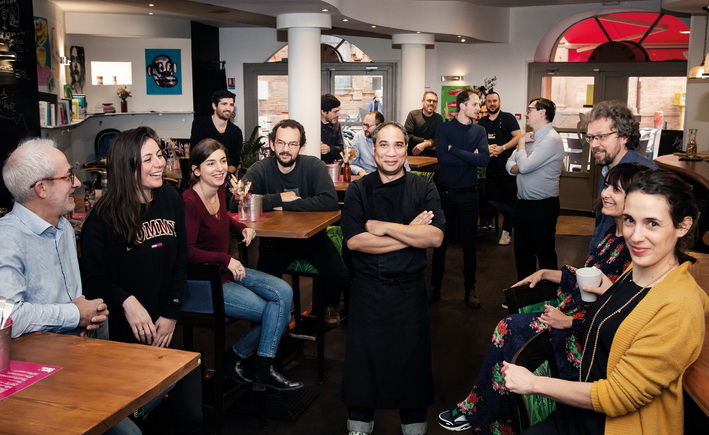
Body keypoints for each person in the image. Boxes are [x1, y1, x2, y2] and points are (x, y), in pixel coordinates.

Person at [437, 163, 645, 433]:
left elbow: (618, 315)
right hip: (572, 316)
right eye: (607, 186)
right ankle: (485, 414)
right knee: (509, 333)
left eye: (616, 190)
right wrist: (546, 272)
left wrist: (569, 322)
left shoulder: (633, 248)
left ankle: (479, 413)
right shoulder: (611, 235)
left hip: (583, 338)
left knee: (508, 329)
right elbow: (589, 277)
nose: (606, 193)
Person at [502, 169, 707, 434]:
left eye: (652, 224)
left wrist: (533, 384)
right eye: (630, 220)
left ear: (683, 226)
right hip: (581, 414)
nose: (635, 235)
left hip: (612, 425)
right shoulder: (634, 273)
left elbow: (618, 396)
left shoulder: (678, 306)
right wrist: (608, 298)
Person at [81, 126, 202, 434]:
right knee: (134, 410)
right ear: (127, 165)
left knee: (184, 413)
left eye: (159, 155)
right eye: (147, 159)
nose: (159, 164)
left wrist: (171, 313)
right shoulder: (102, 217)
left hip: (164, 322)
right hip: (124, 332)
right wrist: (126, 301)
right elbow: (94, 279)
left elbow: (179, 263)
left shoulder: (171, 200)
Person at [341, 122, 445, 435]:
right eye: (383, 145)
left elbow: (436, 237)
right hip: (367, 293)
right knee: (363, 367)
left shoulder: (423, 187)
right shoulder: (359, 188)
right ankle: (359, 427)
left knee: (411, 367)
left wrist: (384, 227)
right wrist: (411, 233)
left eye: (398, 145)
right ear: (372, 150)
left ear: (405, 149)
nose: (391, 153)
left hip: (409, 294)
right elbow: (356, 242)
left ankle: (413, 428)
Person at [183, 138, 302, 391]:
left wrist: (242, 227)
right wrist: (225, 258)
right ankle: (264, 367)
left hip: (225, 272)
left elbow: (223, 220)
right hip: (204, 283)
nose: (219, 168)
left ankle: (236, 356)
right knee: (274, 312)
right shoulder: (189, 202)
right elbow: (187, 252)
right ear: (195, 170)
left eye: (223, 162)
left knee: (284, 292)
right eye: (210, 163)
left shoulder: (219, 191)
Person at [240, 118, 349, 326]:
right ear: (272, 144)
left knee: (339, 273)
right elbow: (238, 200)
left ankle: (327, 305)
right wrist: (281, 198)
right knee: (264, 277)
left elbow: (329, 200)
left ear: (302, 146)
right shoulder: (260, 168)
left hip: (312, 238)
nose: (285, 150)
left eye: (292, 144)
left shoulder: (313, 166)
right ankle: (269, 318)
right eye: (280, 143)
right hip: (275, 241)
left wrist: (289, 205)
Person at [431, 88, 489, 307]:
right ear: (462, 106)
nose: (479, 108)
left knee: (469, 245)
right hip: (445, 194)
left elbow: (484, 160)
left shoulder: (479, 131)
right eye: (475, 104)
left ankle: (470, 289)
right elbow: (442, 160)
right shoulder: (444, 127)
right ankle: (435, 288)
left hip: (469, 195)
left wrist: (454, 149)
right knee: (440, 243)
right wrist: (469, 156)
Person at [586, 100, 657, 253]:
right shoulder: (608, 168)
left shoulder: (644, 174)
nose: (593, 145)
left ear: (624, 136)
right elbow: (603, 223)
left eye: (601, 136)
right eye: (591, 137)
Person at [506, 98, 564, 280]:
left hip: (543, 207)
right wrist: (520, 164)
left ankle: (549, 300)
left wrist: (521, 145)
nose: (526, 113)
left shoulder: (551, 139)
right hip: (523, 205)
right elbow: (510, 165)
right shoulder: (532, 137)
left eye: (529, 109)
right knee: (523, 255)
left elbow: (523, 166)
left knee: (544, 254)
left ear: (542, 112)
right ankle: (524, 300)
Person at [478, 92, 522, 246]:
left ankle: (507, 231)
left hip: (507, 167)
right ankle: (518, 220)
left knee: (509, 201)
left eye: (494, 101)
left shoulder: (508, 118)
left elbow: (518, 137)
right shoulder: (482, 122)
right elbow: (477, 142)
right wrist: (487, 148)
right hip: (490, 167)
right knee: (491, 198)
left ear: (499, 102)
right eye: (489, 101)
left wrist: (502, 148)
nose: (492, 104)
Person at [190, 89, 244, 173]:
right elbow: (195, 154)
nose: (228, 108)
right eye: (224, 104)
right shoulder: (200, 124)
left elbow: (234, 163)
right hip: (203, 174)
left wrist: (223, 176)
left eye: (231, 105)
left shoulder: (236, 132)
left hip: (224, 176)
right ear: (214, 106)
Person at [350, 111, 410, 176]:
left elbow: (405, 167)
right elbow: (351, 163)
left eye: (368, 126)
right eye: (363, 124)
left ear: (379, 126)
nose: (364, 128)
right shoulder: (358, 137)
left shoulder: (391, 137)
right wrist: (359, 171)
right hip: (367, 176)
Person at [405, 91, 443, 156]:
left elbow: (439, 138)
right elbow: (407, 135)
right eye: (429, 100)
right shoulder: (413, 115)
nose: (432, 103)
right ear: (422, 101)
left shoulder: (438, 118)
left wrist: (424, 144)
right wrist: (424, 141)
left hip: (432, 157)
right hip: (414, 156)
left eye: (434, 101)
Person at [321, 93, 345, 164]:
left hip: (332, 167)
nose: (338, 114)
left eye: (338, 111)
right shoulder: (312, 126)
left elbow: (341, 150)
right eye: (335, 112)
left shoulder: (336, 125)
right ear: (324, 112)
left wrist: (329, 149)